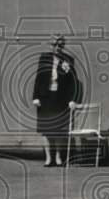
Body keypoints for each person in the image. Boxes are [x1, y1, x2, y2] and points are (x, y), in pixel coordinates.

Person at [31, 34, 81, 167]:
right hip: (45, 99)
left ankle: (58, 156)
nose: (57, 48)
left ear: (63, 46)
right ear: (51, 45)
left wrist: (72, 100)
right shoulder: (44, 58)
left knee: (59, 130)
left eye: (60, 45)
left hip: (60, 99)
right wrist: (35, 97)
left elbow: (72, 82)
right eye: (55, 45)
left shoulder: (68, 60)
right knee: (46, 130)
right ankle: (48, 158)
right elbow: (39, 78)